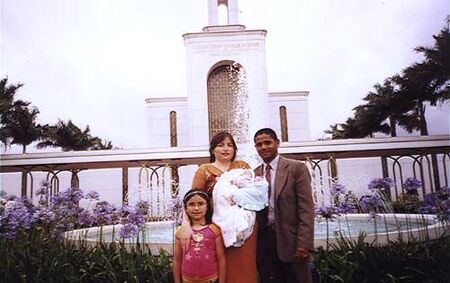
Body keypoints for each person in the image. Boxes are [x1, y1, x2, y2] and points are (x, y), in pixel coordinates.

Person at [179, 131, 259, 283]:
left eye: (230, 145)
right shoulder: (204, 170)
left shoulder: (243, 167)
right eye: (220, 145)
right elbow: (192, 199)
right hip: (216, 226)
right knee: (222, 267)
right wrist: (186, 224)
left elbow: (255, 193)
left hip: (245, 225)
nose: (225, 149)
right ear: (212, 149)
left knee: (246, 266)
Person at [254, 128, 315, 283]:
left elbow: (306, 209)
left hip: (291, 241)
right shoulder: (255, 173)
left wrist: (304, 244)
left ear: (277, 143)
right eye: (259, 144)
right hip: (264, 243)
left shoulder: (296, 168)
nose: (263, 147)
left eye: (267, 142)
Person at [172, 189, 226, 283]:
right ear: (185, 208)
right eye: (191, 204)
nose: (196, 208)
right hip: (187, 280)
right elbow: (177, 260)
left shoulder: (214, 230)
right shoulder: (180, 233)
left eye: (200, 204)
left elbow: (221, 259)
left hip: (211, 280)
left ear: (207, 206)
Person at [212, 168, 268, 248]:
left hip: (241, 206)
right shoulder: (228, 177)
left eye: (247, 175)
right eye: (243, 174)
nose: (244, 176)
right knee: (226, 215)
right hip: (223, 204)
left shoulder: (247, 170)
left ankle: (239, 230)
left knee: (242, 216)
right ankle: (230, 230)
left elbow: (255, 190)